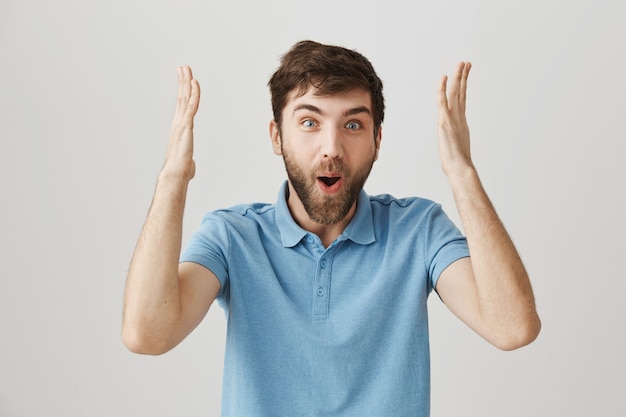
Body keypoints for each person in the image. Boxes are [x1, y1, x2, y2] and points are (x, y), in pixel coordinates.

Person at [122, 40, 540, 416]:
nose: (331, 148)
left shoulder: (419, 230)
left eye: (353, 125)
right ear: (276, 136)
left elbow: (512, 328)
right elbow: (147, 335)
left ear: (378, 139)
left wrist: (462, 173)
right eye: (309, 123)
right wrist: (172, 180)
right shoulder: (232, 237)